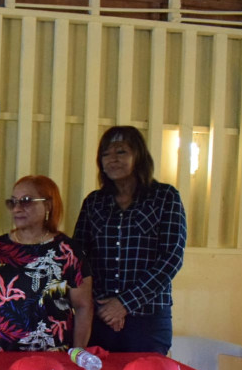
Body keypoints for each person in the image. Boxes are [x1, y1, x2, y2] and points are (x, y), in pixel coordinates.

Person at [73, 126, 187, 354]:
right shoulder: (94, 202)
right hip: (101, 315)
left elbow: (171, 257)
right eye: (105, 154)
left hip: (148, 318)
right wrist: (104, 305)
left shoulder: (165, 197)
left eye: (121, 152)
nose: (112, 160)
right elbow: (78, 257)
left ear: (139, 156)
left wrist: (125, 303)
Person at [0, 175, 93, 352]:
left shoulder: (67, 251)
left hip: (49, 361)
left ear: (48, 205)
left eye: (26, 201)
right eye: (12, 202)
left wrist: (78, 351)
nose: (17, 208)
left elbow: (83, 306)